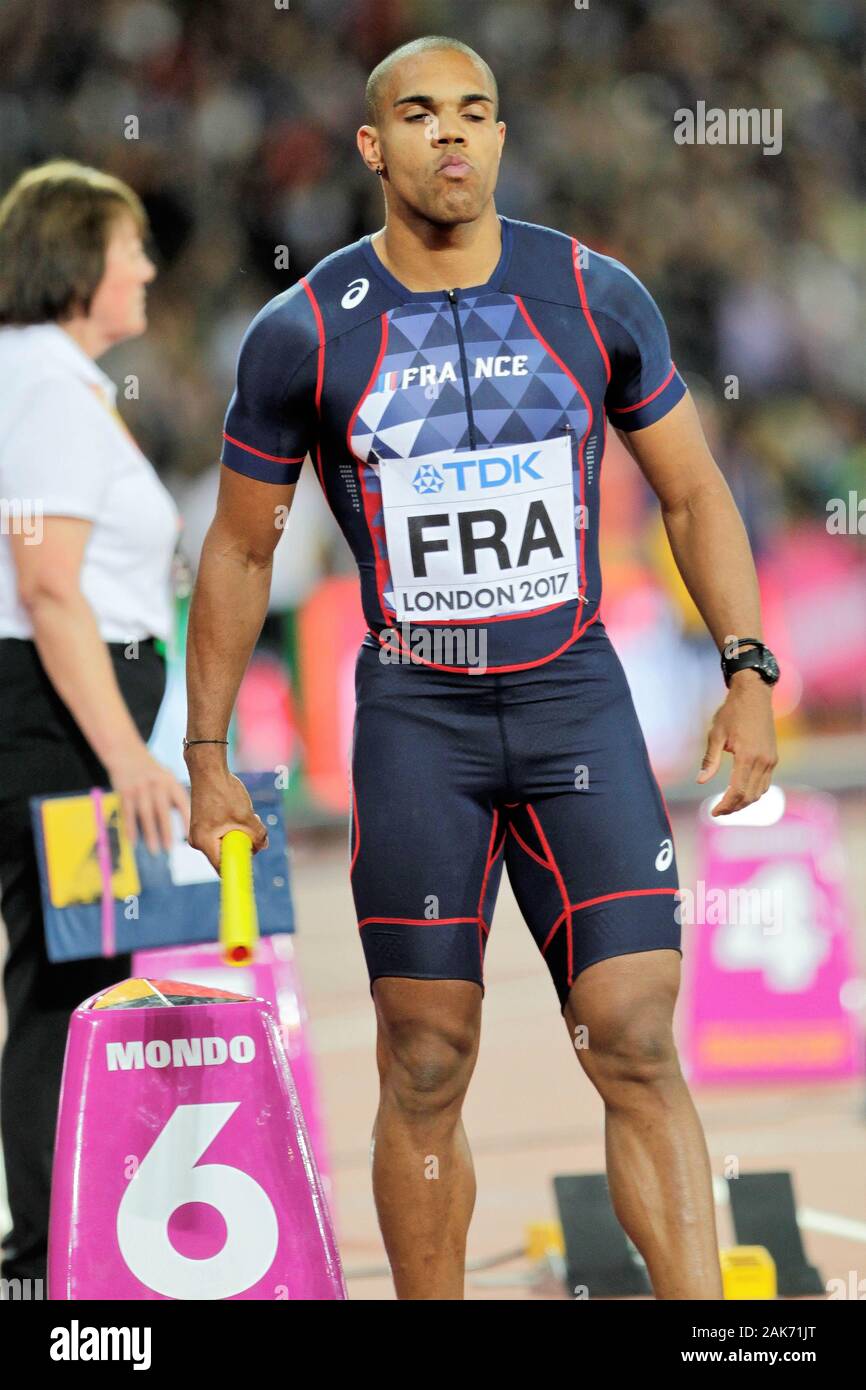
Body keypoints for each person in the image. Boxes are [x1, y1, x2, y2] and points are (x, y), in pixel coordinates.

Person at [185, 37, 779, 1300]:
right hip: (417, 716)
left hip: (573, 696)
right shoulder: (301, 334)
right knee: (423, 1058)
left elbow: (691, 490)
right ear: (373, 146)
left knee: (629, 1034)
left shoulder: (591, 293)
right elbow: (240, 552)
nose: (449, 135)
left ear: (501, 138)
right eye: (418, 114)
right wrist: (203, 753)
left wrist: (746, 666)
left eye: (473, 113)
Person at [0, 160, 190, 1287]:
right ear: (80, 263)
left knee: (67, 979)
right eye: (133, 249)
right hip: (58, 716)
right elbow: (50, 584)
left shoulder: (44, 380)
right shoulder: (41, 384)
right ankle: (42, 1265)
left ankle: (49, 1255)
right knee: (67, 987)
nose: (151, 269)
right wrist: (125, 759)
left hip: (59, 705)